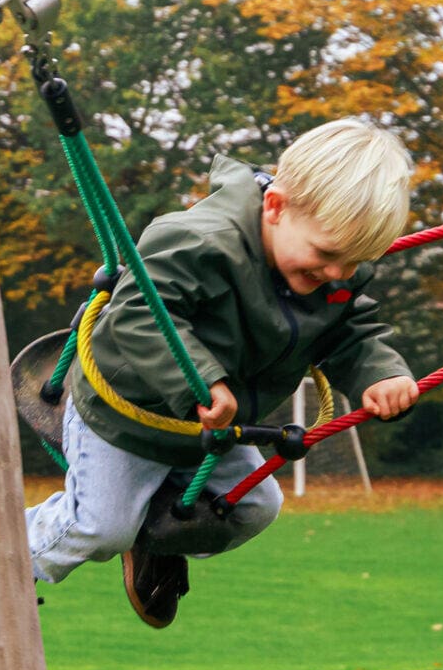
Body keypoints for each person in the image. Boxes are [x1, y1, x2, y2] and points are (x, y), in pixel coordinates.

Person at [28, 117, 421, 627]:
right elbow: (142, 315)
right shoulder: (198, 241)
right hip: (126, 416)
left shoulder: (329, 267)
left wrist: (381, 373)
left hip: (205, 431)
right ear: (275, 207)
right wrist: (202, 378)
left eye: (355, 261)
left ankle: (155, 539)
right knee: (100, 528)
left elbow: (353, 331)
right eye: (326, 256)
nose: (337, 275)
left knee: (256, 506)